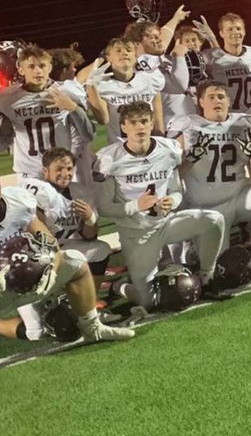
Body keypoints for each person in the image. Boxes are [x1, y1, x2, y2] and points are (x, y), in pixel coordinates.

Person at [0, 166, 134, 384]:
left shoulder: (19, 203)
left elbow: (49, 242)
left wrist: (51, 271)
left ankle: (93, 328)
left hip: (25, 271)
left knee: (76, 263)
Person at [93, 101, 226, 306]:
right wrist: (136, 205)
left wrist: (171, 202)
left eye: (144, 121)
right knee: (149, 301)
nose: (140, 127)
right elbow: (104, 208)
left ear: (152, 122)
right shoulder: (109, 159)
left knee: (213, 220)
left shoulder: (168, 149)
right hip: (136, 234)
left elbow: (177, 192)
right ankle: (119, 286)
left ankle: (207, 278)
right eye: (134, 123)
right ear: (123, 127)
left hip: (165, 224)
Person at [168, 81, 251, 277]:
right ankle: (192, 245)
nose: (216, 100)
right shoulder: (186, 125)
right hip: (205, 206)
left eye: (221, 96)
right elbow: (172, 175)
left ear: (229, 101)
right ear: (201, 101)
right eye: (211, 97)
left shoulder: (246, 122)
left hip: (239, 196)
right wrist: (191, 158)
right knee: (216, 271)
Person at [0, 43, 96, 189]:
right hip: (29, 174)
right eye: (31, 66)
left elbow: (88, 135)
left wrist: (73, 108)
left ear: (49, 68)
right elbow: (1, 145)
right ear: (21, 69)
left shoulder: (68, 91)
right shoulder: (7, 99)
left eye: (42, 66)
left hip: (61, 171)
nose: (38, 71)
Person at [21, 147, 113, 278]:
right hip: (36, 250)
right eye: (59, 169)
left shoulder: (81, 193)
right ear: (45, 171)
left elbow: (90, 237)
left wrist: (89, 219)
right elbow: (37, 234)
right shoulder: (40, 191)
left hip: (62, 245)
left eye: (69, 169)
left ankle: (91, 298)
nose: (65, 174)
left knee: (100, 249)